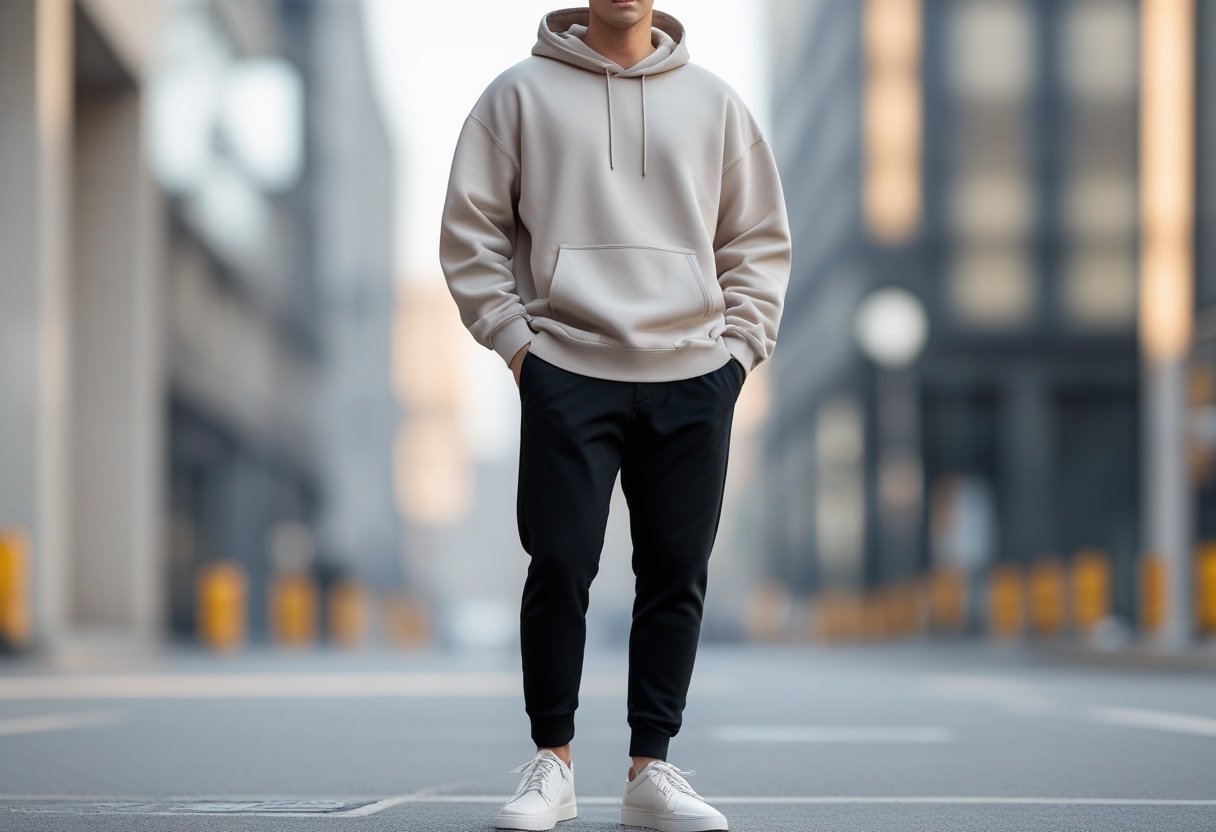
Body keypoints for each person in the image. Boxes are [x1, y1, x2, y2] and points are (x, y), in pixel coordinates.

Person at [438, 1, 791, 829]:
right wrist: (519, 348)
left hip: (696, 370)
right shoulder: (516, 95)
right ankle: (551, 767)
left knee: (676, 571)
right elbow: (471, 231)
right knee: (559, 562)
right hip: (566, 363)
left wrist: (738, 353)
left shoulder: (715, 103)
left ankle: (650, 769)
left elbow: (758, 240)